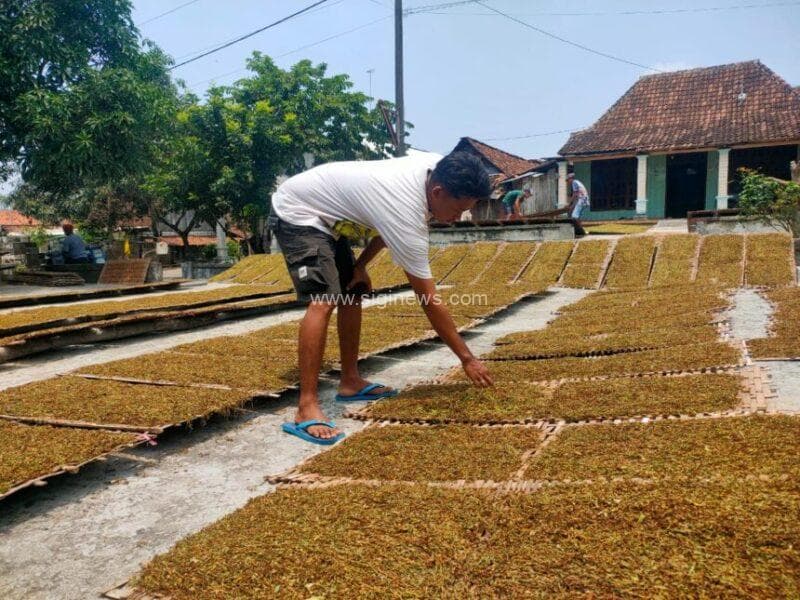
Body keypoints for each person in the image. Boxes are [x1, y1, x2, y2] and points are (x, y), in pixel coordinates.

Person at [270, 151, 494, 445]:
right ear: (438, 192)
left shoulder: (438, 168)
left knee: (352, 291)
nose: (458, 218)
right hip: (299, 210)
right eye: (458, 209)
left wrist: (360, 266)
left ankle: (350, 381)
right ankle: (306, 406)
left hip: (330, 215)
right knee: (325, 299)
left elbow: (386, 225)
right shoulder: (405, 207)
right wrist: (467, 359)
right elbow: (428, 299)